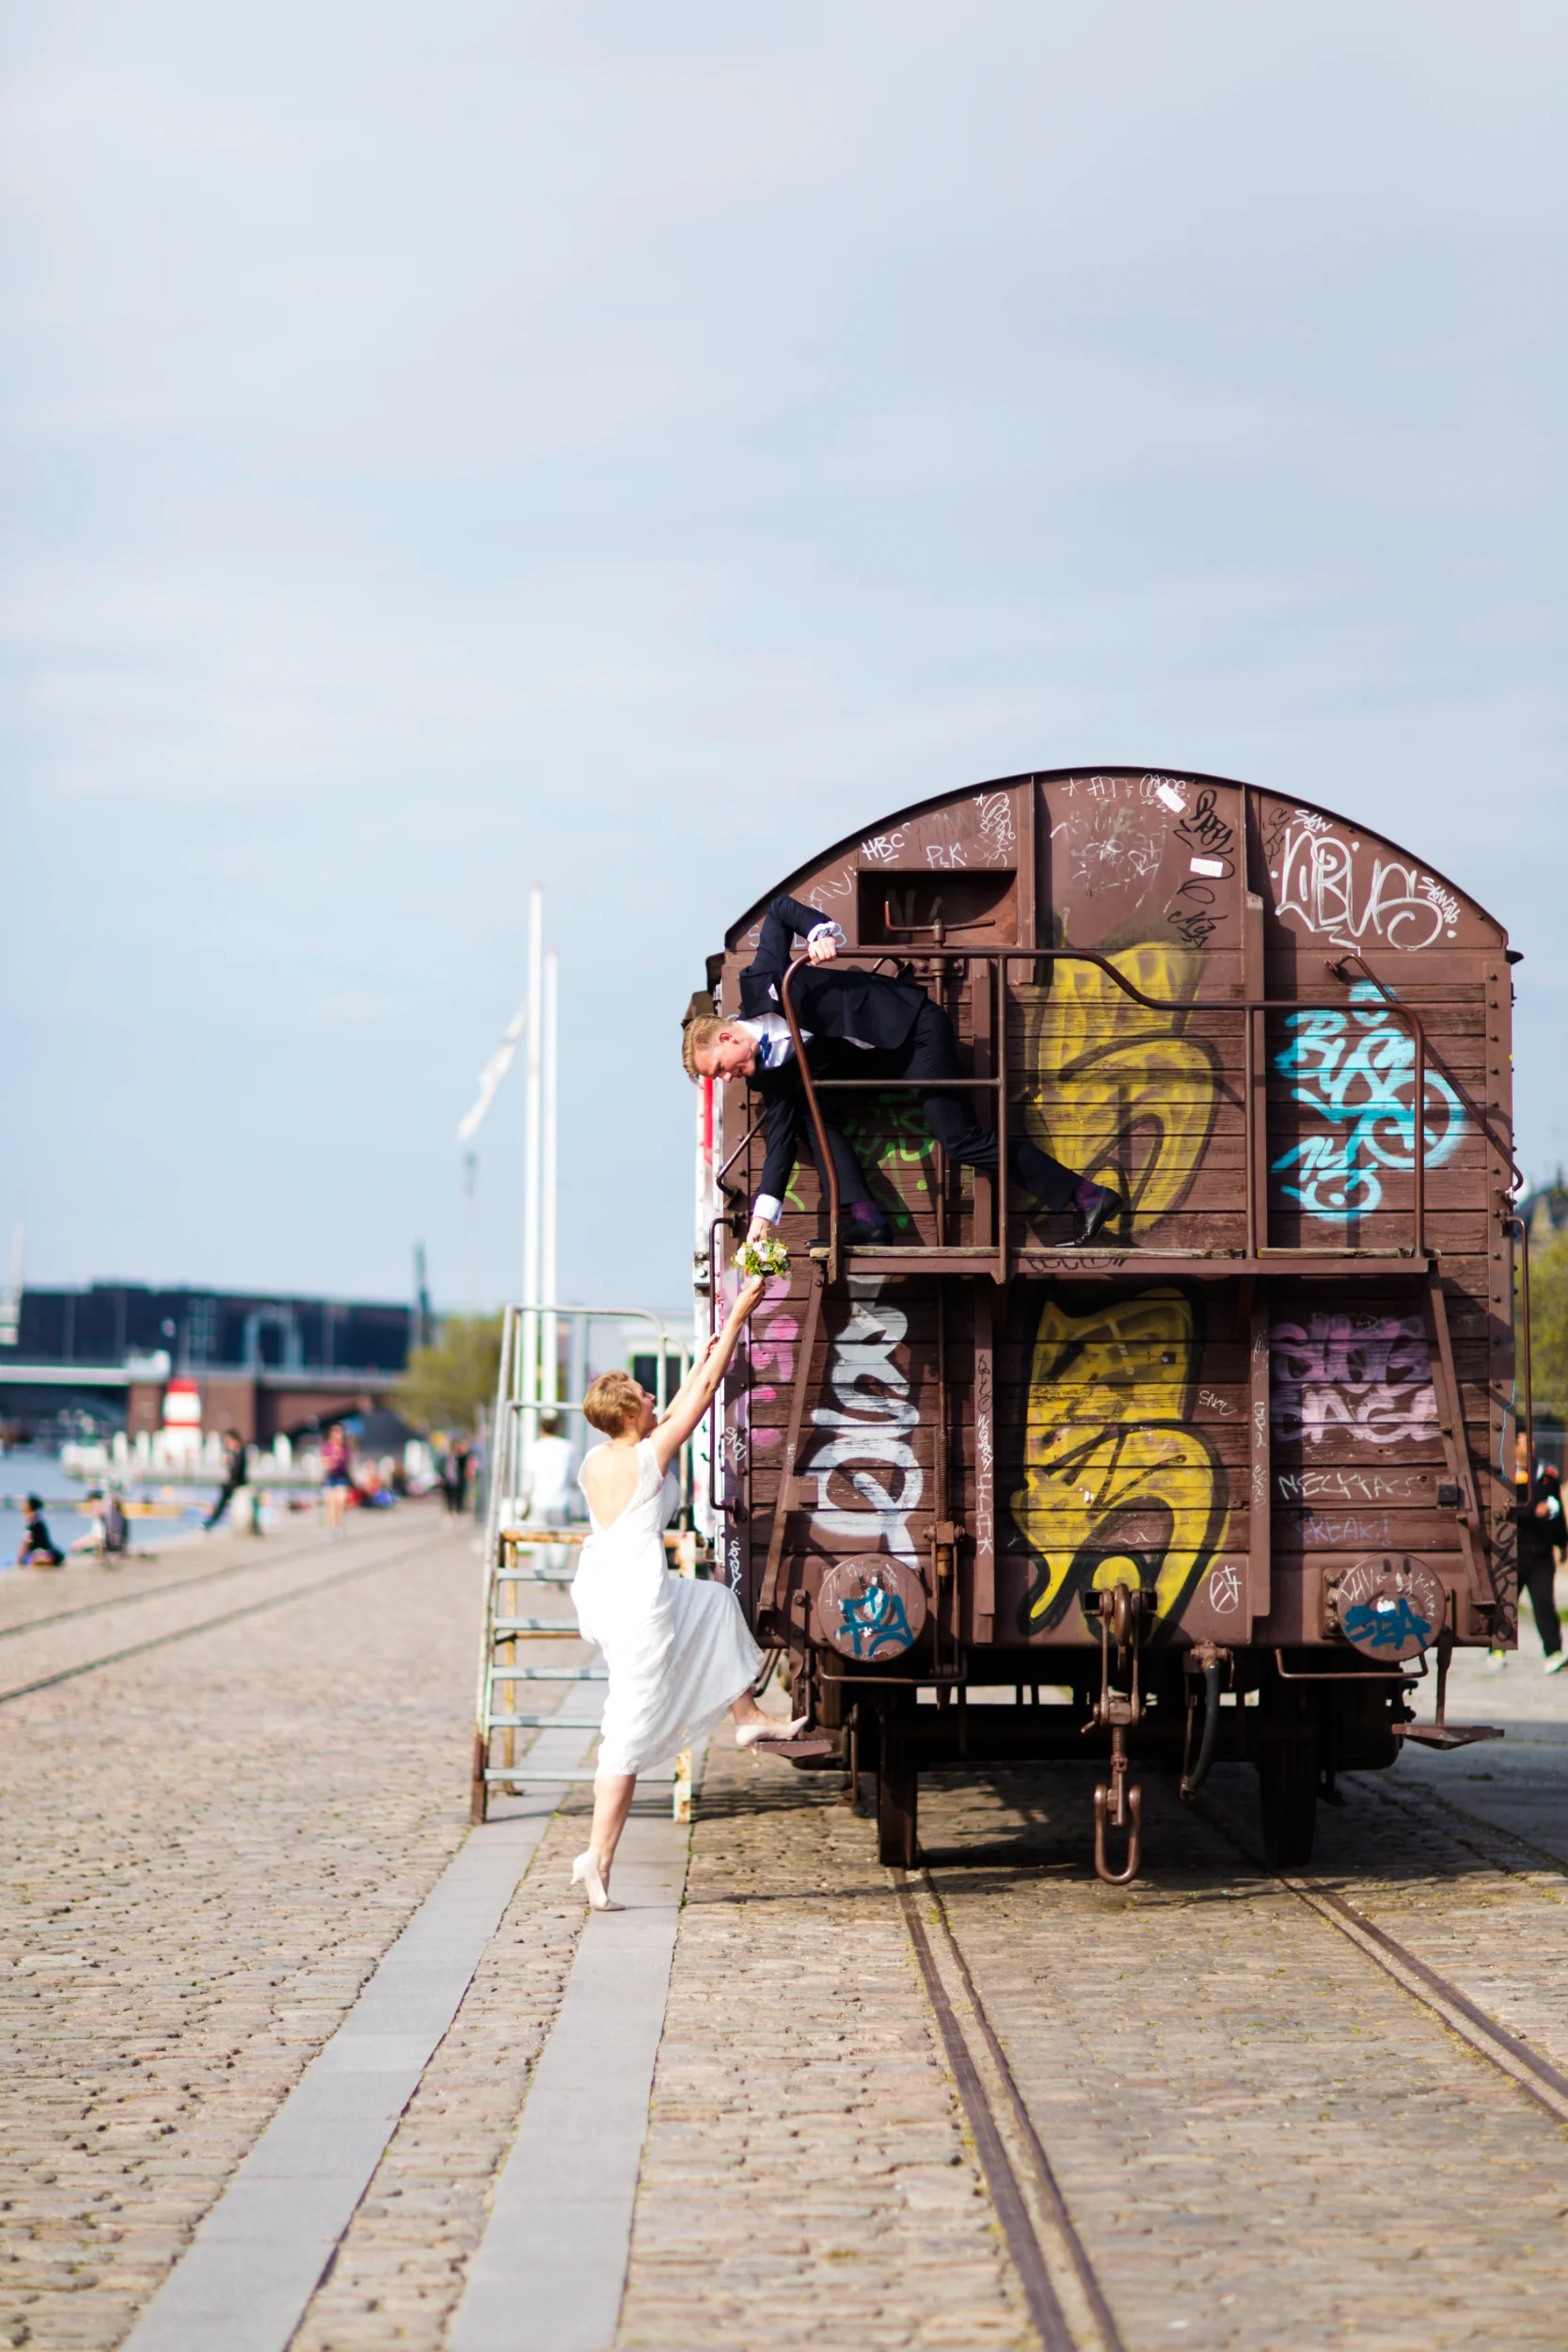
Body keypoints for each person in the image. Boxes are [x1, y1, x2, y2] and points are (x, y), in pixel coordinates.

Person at [683, 892, 1119, 1250]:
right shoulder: (763, 1074)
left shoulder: (761, 982)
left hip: (913, 1030)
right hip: (875, 1061)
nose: (727, 1079)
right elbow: (777, 1143)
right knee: (807, 1114)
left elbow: (779, 911)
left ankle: (1089, 1196)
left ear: (726, 1039)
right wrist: (763, 1217)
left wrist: (819, 933)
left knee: (960, 1140)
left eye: (721, 1069)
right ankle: (868, 1219)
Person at [570, 1275, 806, 1909]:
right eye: (644, 1399)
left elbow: (675, 1406)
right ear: (628, 1415)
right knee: (626, 1731)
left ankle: (748, 1716)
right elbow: (696, 1403)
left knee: (713, 1602)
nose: (653, 1401)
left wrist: (707, 1349)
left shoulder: (597, 1461)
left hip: (606, 1591)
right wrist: (736, 1322)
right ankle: (597, 1859)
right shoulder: (649, 1458)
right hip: (638, 1605)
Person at [1500, 1432, 1568, 1674]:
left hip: (1540, 1552)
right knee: (1507, 1603)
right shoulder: (1505, 1472)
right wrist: (1532, 1511)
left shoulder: (1546, 1472)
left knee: (1543, 1604)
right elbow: (1504, 1509)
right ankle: (1498, 1648)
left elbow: (1557, 1509)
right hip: (1513, 1551)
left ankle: (1554, 1652)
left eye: (1531, 1441)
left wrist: (1562, 1542)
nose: (1530, 1445)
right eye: (1524, 1441)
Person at [204, 1430, 248, 1533]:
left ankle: (211, 1522)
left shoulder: (238, 1453)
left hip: (237, 1484)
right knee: (222, 1499)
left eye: (227, 1441)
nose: (226, 1444)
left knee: (222, 1500)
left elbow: (236, 1473)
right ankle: (211, 1522)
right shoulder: (236, 1453)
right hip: (235, 1483)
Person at [14, 1496, 64, 1568]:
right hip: (48, 1552)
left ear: (29, 1506)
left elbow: (27, 1543)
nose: (22, 1506)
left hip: (40, 1553)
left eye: (25, 1504)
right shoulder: (39, 1520)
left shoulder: (32, 1522)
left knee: (36, 1557)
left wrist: (19, 1559)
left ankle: (42, 1561)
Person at [321, 1423, 352, 1534]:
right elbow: (323, 1462)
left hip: (341, 1477)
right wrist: (330, 1461)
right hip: (330, 1477)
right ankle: (332, 1526)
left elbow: (348, 1463)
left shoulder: (345, 1447)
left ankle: (339, 1523)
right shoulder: (328, 1447)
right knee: (330, 1503)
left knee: (340, 1501)